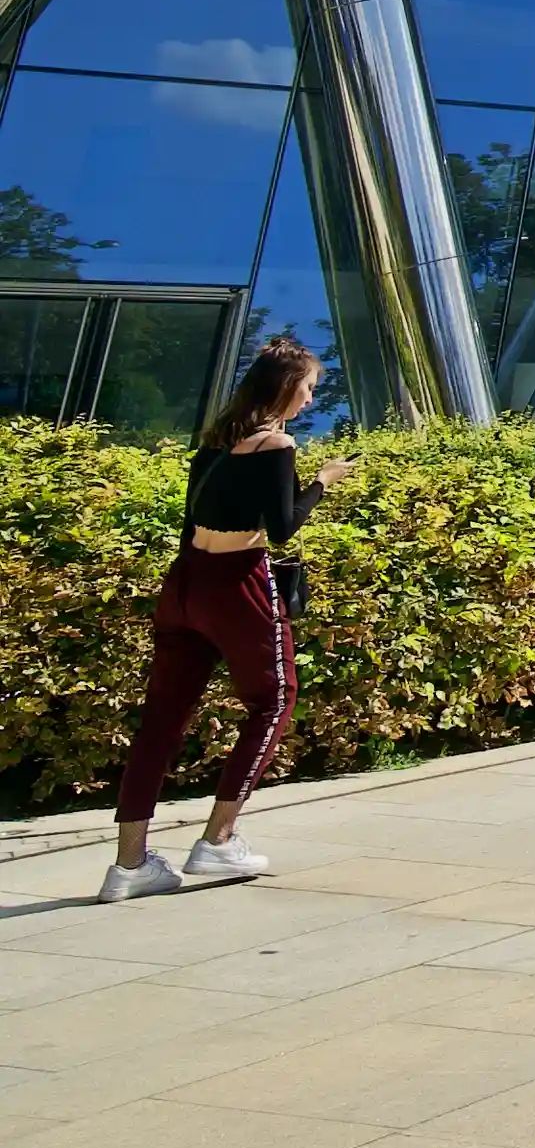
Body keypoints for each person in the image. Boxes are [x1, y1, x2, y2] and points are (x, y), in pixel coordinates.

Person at [101, 337, 346, 903]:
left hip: (186, 578)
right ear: (286, 387)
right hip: (238, 582)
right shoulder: (276, 443)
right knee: (274, 700)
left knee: (161, 720)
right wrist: (323, 482)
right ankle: (218, 840)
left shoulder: (215, 442)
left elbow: (195, 518)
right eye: (308, 387)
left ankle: (130, 864)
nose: (309, 400)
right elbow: (283, 526)